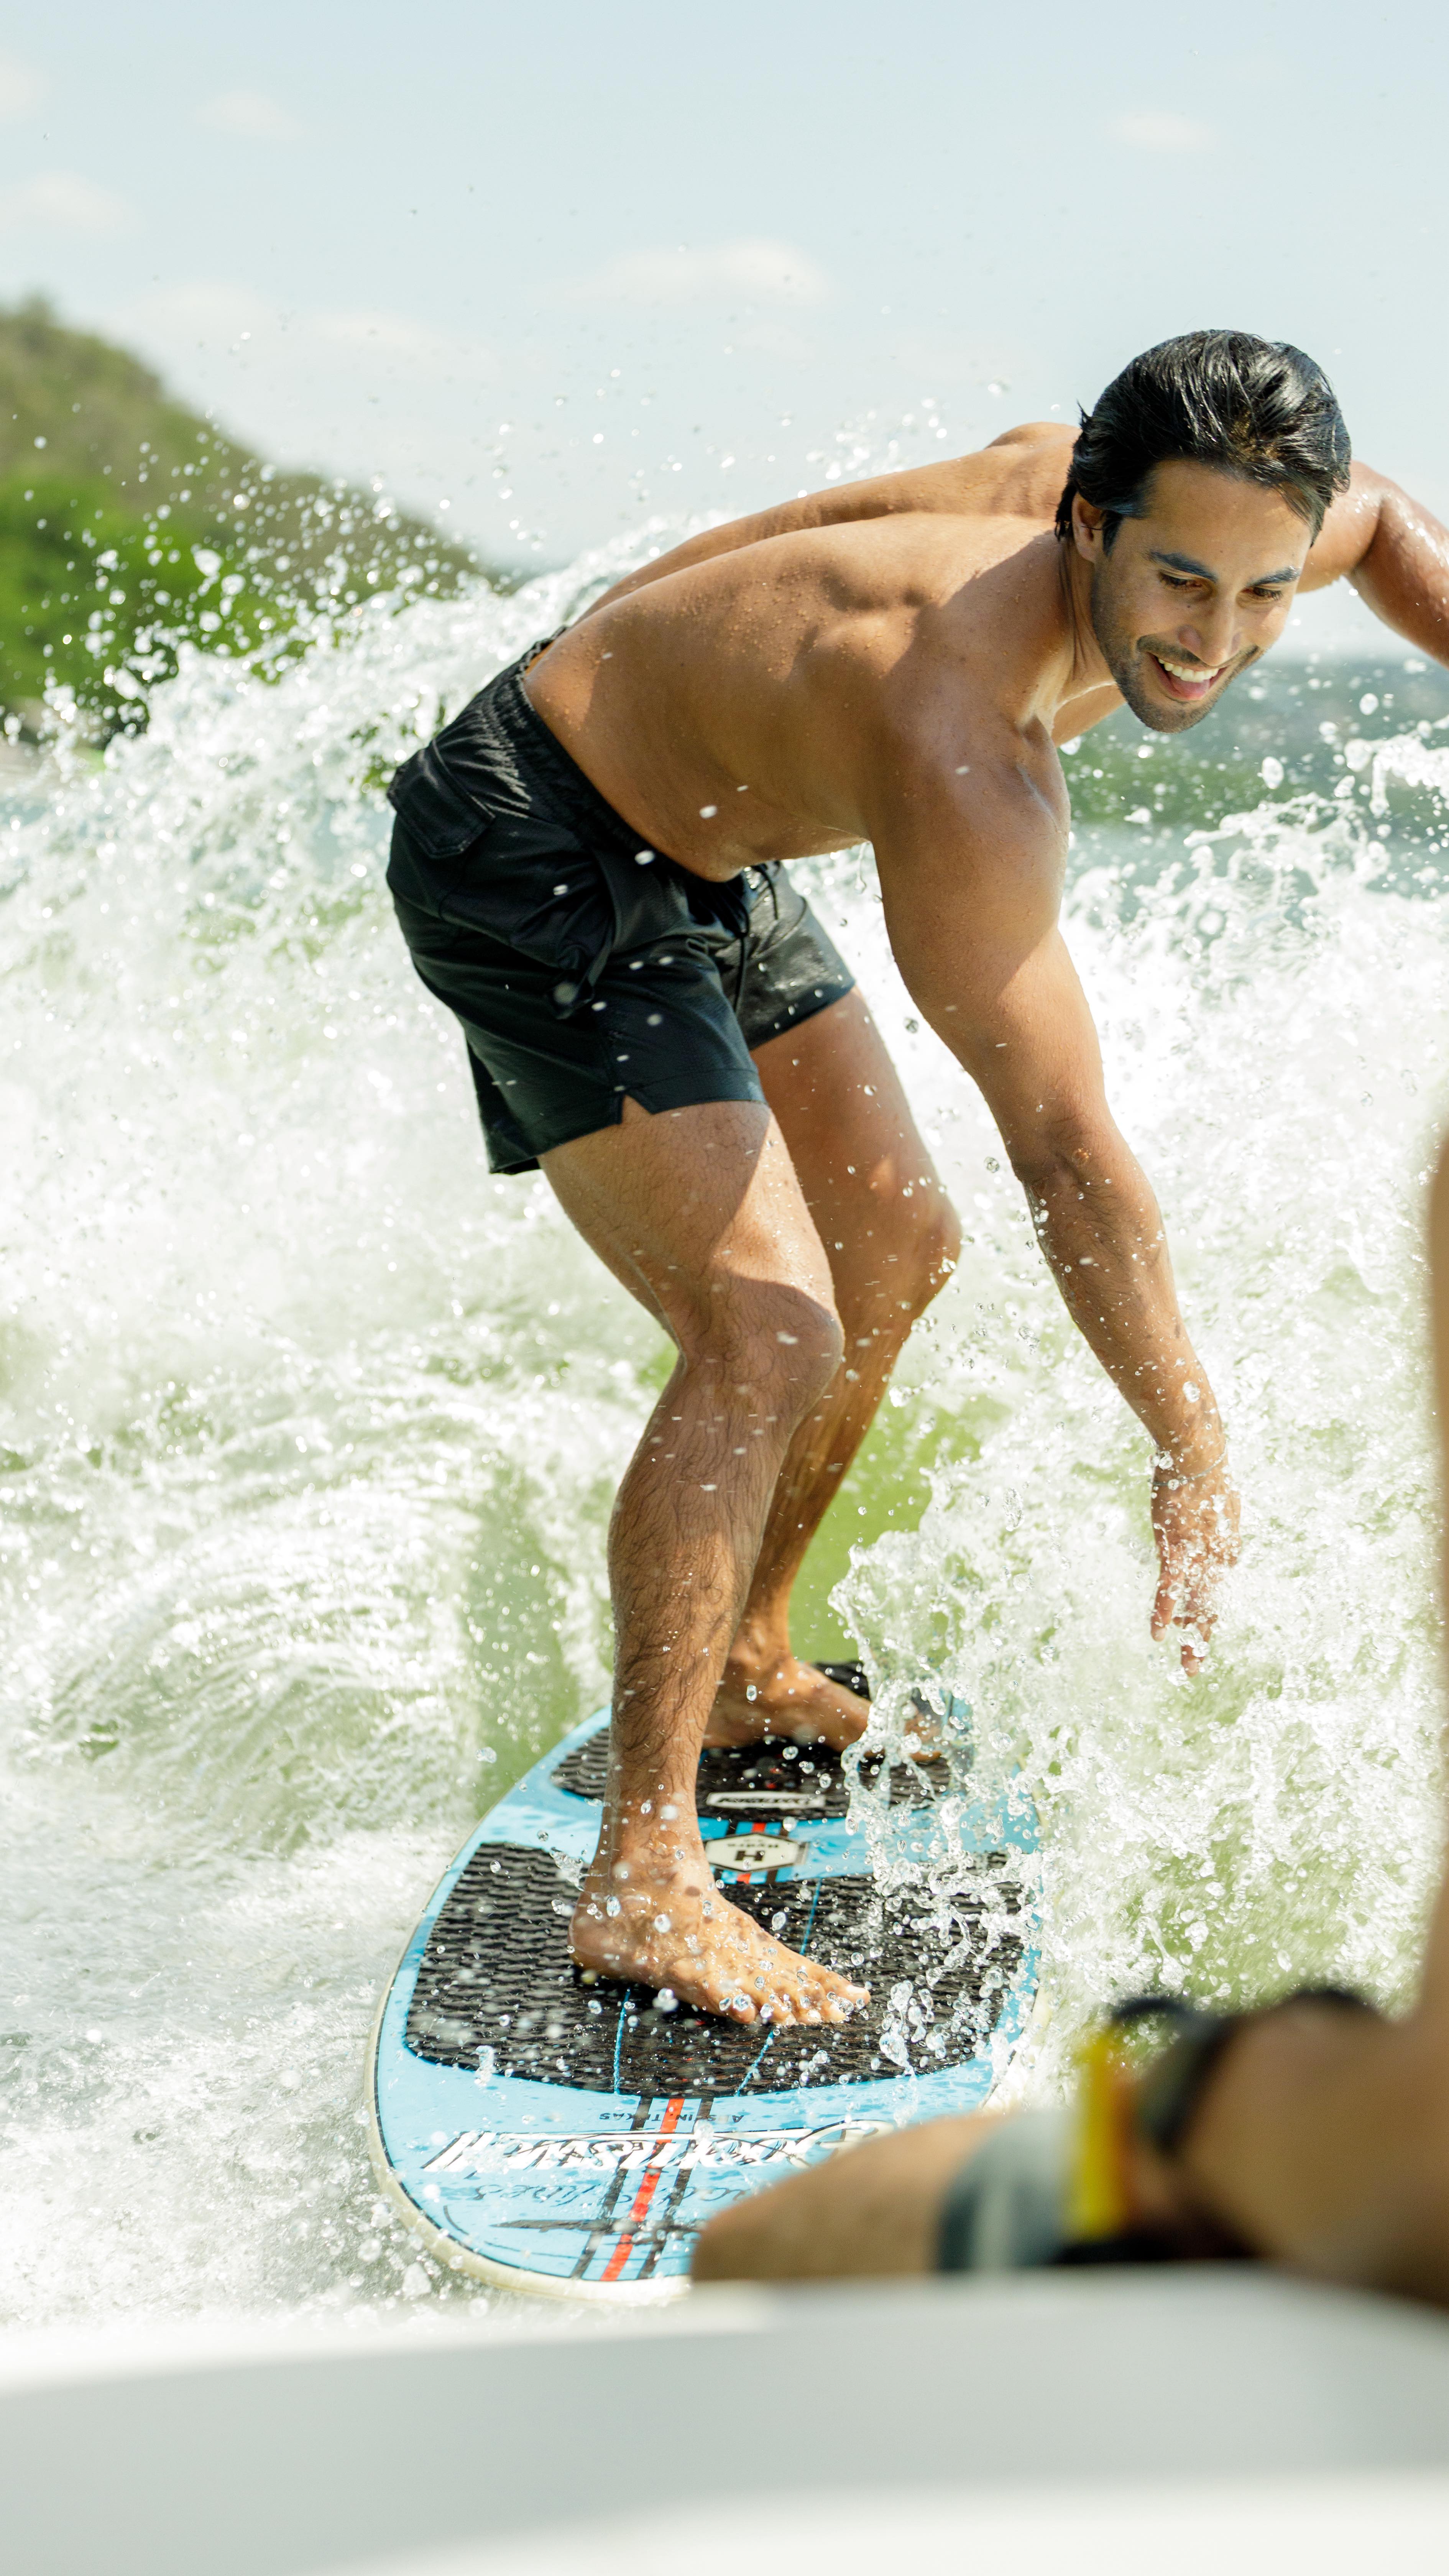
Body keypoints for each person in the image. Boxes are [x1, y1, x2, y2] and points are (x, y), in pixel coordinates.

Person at [387, 329, 1449, 2033]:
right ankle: (645, 1878)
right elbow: (1072, 1161)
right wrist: (1188, 1447)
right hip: (535, 839)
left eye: (1261, 597)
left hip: (705, 824)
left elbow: (1388, 527)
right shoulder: (962, 743)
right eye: (1182, 584)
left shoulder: (1236, 501)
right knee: (769, 1325)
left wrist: (640, 647)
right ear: (1086, 527)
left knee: (892, 1242)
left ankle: (750, 1658)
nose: (1218, 642)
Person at [693, 1132, 1449, 2303]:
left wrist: (1209, 2087)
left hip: (1331, 2205)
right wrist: (1190, 1444)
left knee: (749, 2250)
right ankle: (740, 1686)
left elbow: (1415, 2173)